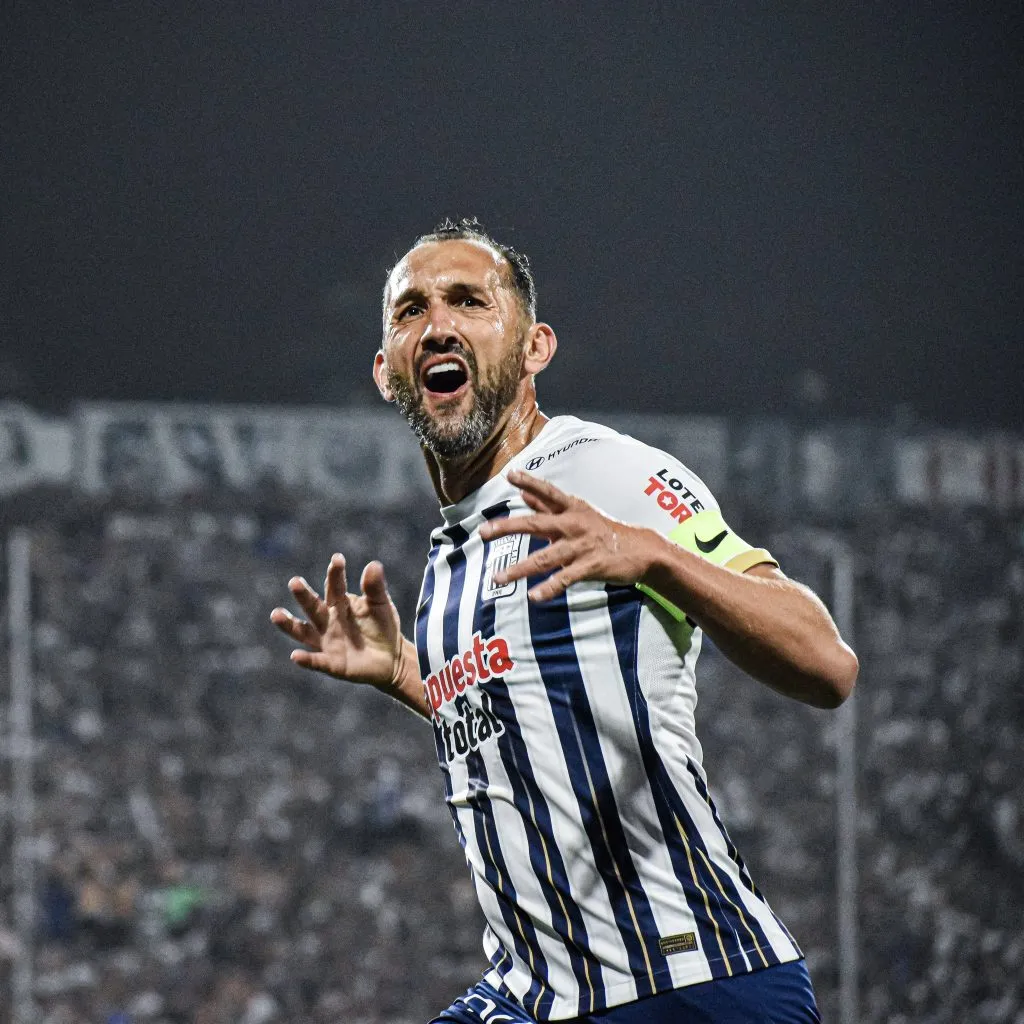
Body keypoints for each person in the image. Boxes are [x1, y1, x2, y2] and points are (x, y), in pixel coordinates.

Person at [270, 219, 858, 1023]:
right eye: (411, 312)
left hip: (688, 983)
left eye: (469, 301)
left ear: (535, 347)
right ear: (385, 371)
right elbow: (521, 716)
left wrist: (653, 555)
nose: (437, 324)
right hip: (538, 991)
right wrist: (406, 671)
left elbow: (827, 663)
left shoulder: (604, 473)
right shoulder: (448, 559)